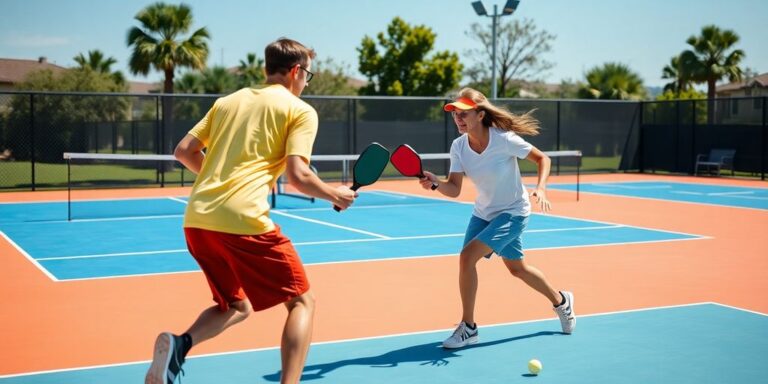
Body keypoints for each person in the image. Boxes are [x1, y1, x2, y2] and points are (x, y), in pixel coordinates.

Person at [145, 38, 357, 384]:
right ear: (296, 72)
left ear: (265, 70)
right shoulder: (299, 110)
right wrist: (336, 194)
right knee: (302, 302)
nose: (306, 82)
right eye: (308, 75)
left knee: (235, 307)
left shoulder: (228, 101)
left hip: (197, 219)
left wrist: (221, 180)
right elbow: (299, 176)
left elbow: (184, 151)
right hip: (241, 220)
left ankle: (179, 347)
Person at [418, 87, 575, 349]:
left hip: (513, 212)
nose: (458, 118)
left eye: (463, 113)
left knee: (467, 257)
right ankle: (562, 301)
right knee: (518, 269)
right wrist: (436, 184)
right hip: (484, 213)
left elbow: (542, 159)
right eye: (455, 113)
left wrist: (542, 187)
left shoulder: (504, 139)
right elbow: (454, 188)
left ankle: (468, 328)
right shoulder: (458, 146)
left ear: (480, 114)